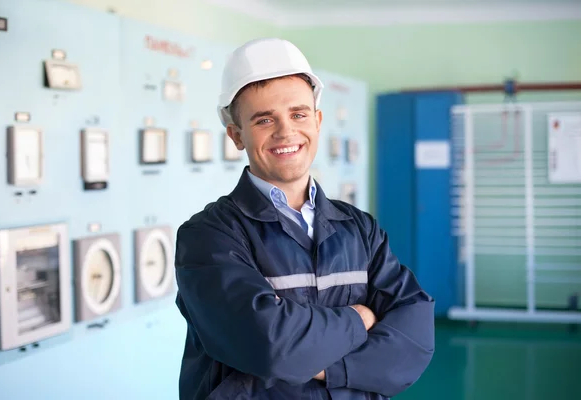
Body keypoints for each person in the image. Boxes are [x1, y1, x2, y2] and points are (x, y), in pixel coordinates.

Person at [174, 37, 435, 400]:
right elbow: (270, 346)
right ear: (236, 135)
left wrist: (327, 367)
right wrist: (360, 319)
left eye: (298, 114)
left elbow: (415, 335)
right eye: (264, 119)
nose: (286, 132)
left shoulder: (359, 228)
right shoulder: (208, 237)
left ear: (317, 120)